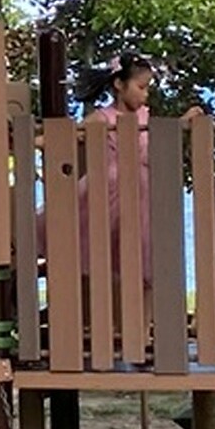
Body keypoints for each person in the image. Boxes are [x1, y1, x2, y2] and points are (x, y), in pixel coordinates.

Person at [65, 53, 201, 289]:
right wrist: (35, 141)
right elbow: (70, 135)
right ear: (119, 84)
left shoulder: (144, 115)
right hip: (111, 191)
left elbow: (159, 135)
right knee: (101, 251)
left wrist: (181, 124)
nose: (145, 94)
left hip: (142, 193)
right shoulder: (102, 118)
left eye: (147, 88)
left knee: (144, 257)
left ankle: (141, 309)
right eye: (140, 87)